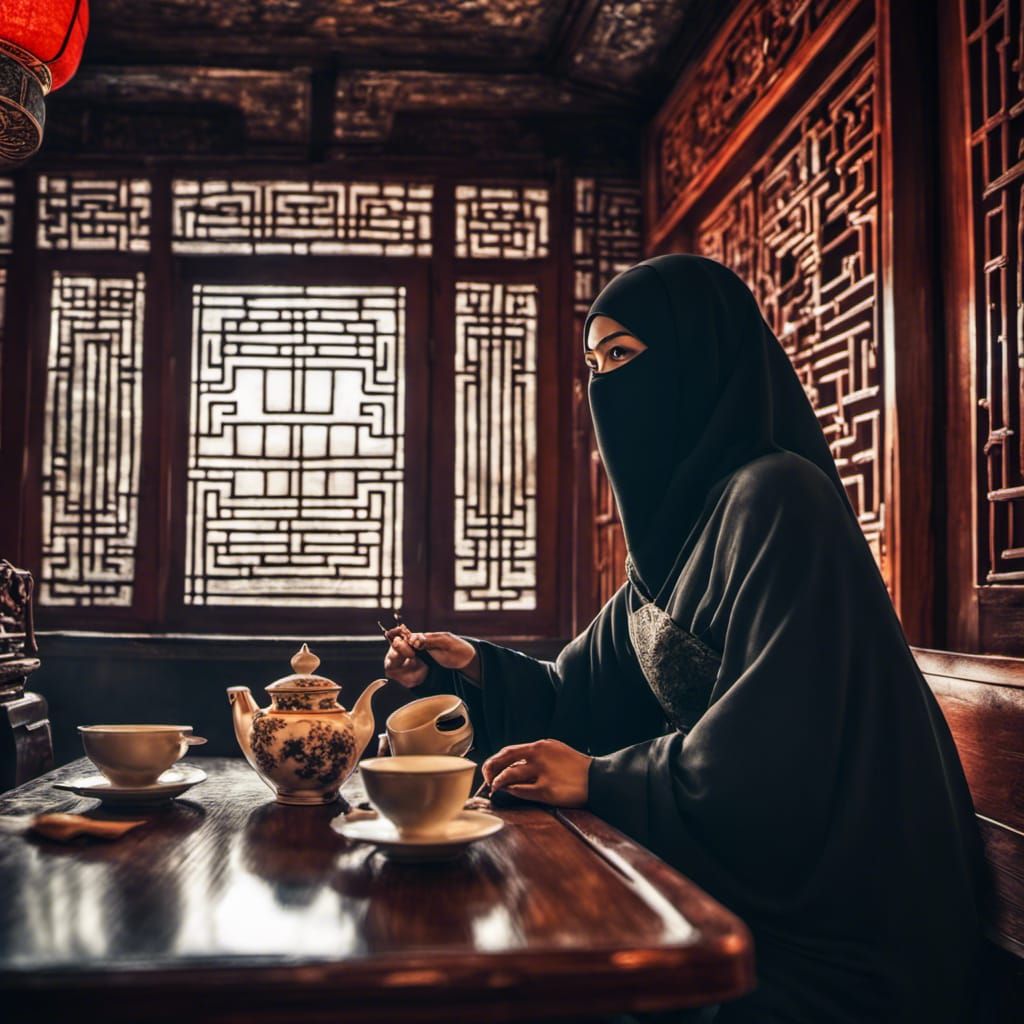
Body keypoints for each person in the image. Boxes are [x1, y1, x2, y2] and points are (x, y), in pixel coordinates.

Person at [383, 255, 983, 1023]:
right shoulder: (682, 533)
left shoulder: (780, 500)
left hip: (838, 935)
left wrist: (601, 781)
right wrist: (474, 668)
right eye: (594, 367)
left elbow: (776, 756)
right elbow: (583, 696)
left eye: (625, 358)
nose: (606, 388)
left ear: (698, 358)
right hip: (743, 898)